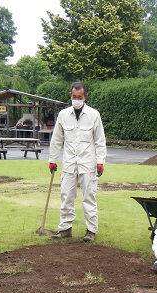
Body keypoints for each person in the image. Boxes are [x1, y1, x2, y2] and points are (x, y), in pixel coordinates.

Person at [48, 81, 107, 242]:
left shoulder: (94, 115)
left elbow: (100, 140)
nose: (77, 99)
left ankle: (91, 230)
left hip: (88, 163)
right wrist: (52, 159)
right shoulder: (63, 115)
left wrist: (100, 161)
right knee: (66, 195)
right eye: (74, 97)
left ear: (85, 96)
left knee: (89, 197)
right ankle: (65, 228)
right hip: (69, 162)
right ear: (70, 96)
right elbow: (57, 139)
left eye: (79, 97)